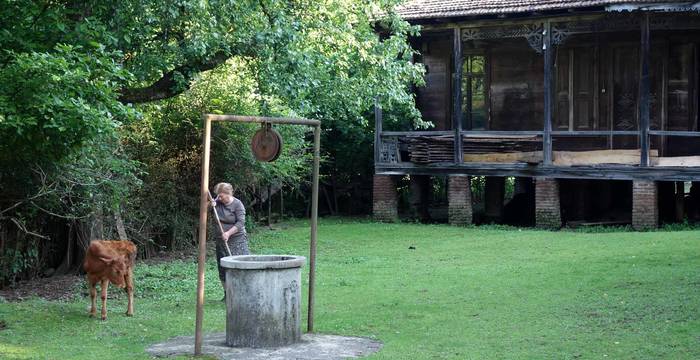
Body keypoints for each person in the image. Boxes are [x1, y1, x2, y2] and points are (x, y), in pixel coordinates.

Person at [210, 182, 250, 299]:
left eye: (221, 196)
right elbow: (205, 208)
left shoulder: (238, 205)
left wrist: (228, 233)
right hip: (220, 240)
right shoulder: (217, 202)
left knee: (240, 265)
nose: (219, 198)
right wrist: (210, 204)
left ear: (229, 194)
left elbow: (240, 223)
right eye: (218, 196)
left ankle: (243, 293)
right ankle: (228, 295)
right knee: (222, 267)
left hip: (237, 240)